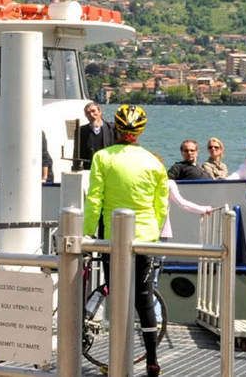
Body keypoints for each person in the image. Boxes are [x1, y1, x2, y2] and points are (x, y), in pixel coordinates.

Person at [83, 105, 168, 377]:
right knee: (144, 301)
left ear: (116, 128)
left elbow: (94, 199)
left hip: (113, 240)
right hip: (144, 241)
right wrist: (152, 236)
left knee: (117, 299)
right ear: (141, 130)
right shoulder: (154, 162)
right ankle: (152, 360)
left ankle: (118, 360)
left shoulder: (102, 158)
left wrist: (86, 234)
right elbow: (161, 207)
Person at [73, 102, 111, 172]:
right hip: (89, 170)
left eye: (93, 111)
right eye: (88, 113)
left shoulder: (112, 128)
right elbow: (76, 154)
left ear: (99, 111)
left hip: (108, 169)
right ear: (85, 115)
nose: (91, 115)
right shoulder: (81, 131)